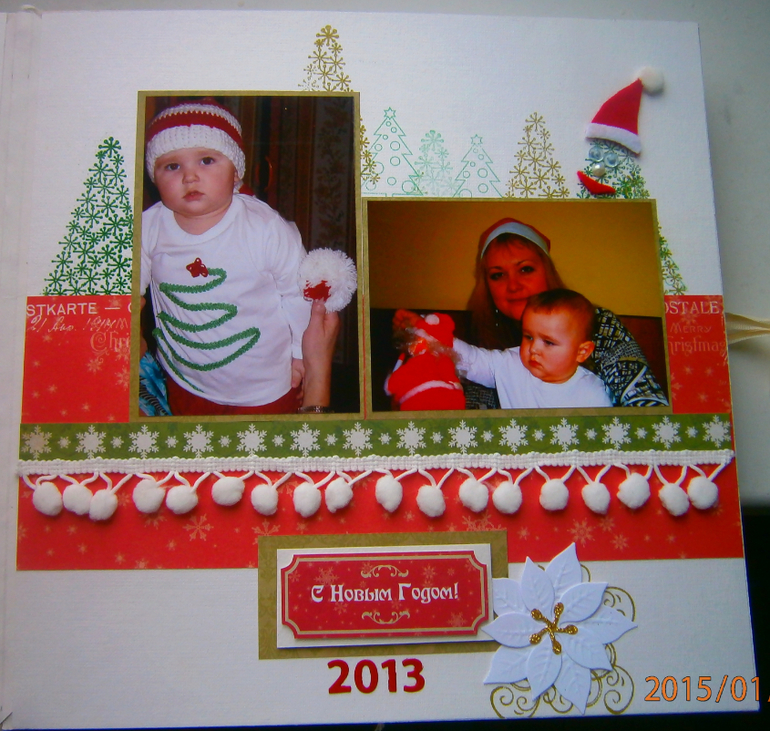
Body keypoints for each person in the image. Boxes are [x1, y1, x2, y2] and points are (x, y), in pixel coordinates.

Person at [140, 99, 311, 415]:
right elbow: (125, 292)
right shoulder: (149, 227)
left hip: (265, 387)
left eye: (206, 160)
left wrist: (302, 354)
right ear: (154, 176)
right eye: (172, 166)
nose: (190, 177)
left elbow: (299, 294)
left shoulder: (264, 228)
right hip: (185, 381)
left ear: (235, 173)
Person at [465, 218, 668, 408]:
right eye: (498, 275)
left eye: (525, 269)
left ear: (547, 271)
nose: (513, 286)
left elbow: (644, 399)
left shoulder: (599, 324)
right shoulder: (482, 337)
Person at [455, 289, 612, 408]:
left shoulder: (592, 393)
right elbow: (472, 360)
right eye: (528, 337)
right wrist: (442, 338)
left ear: (581, 352)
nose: (533, 349)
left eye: (548, 342)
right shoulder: (510, 364)